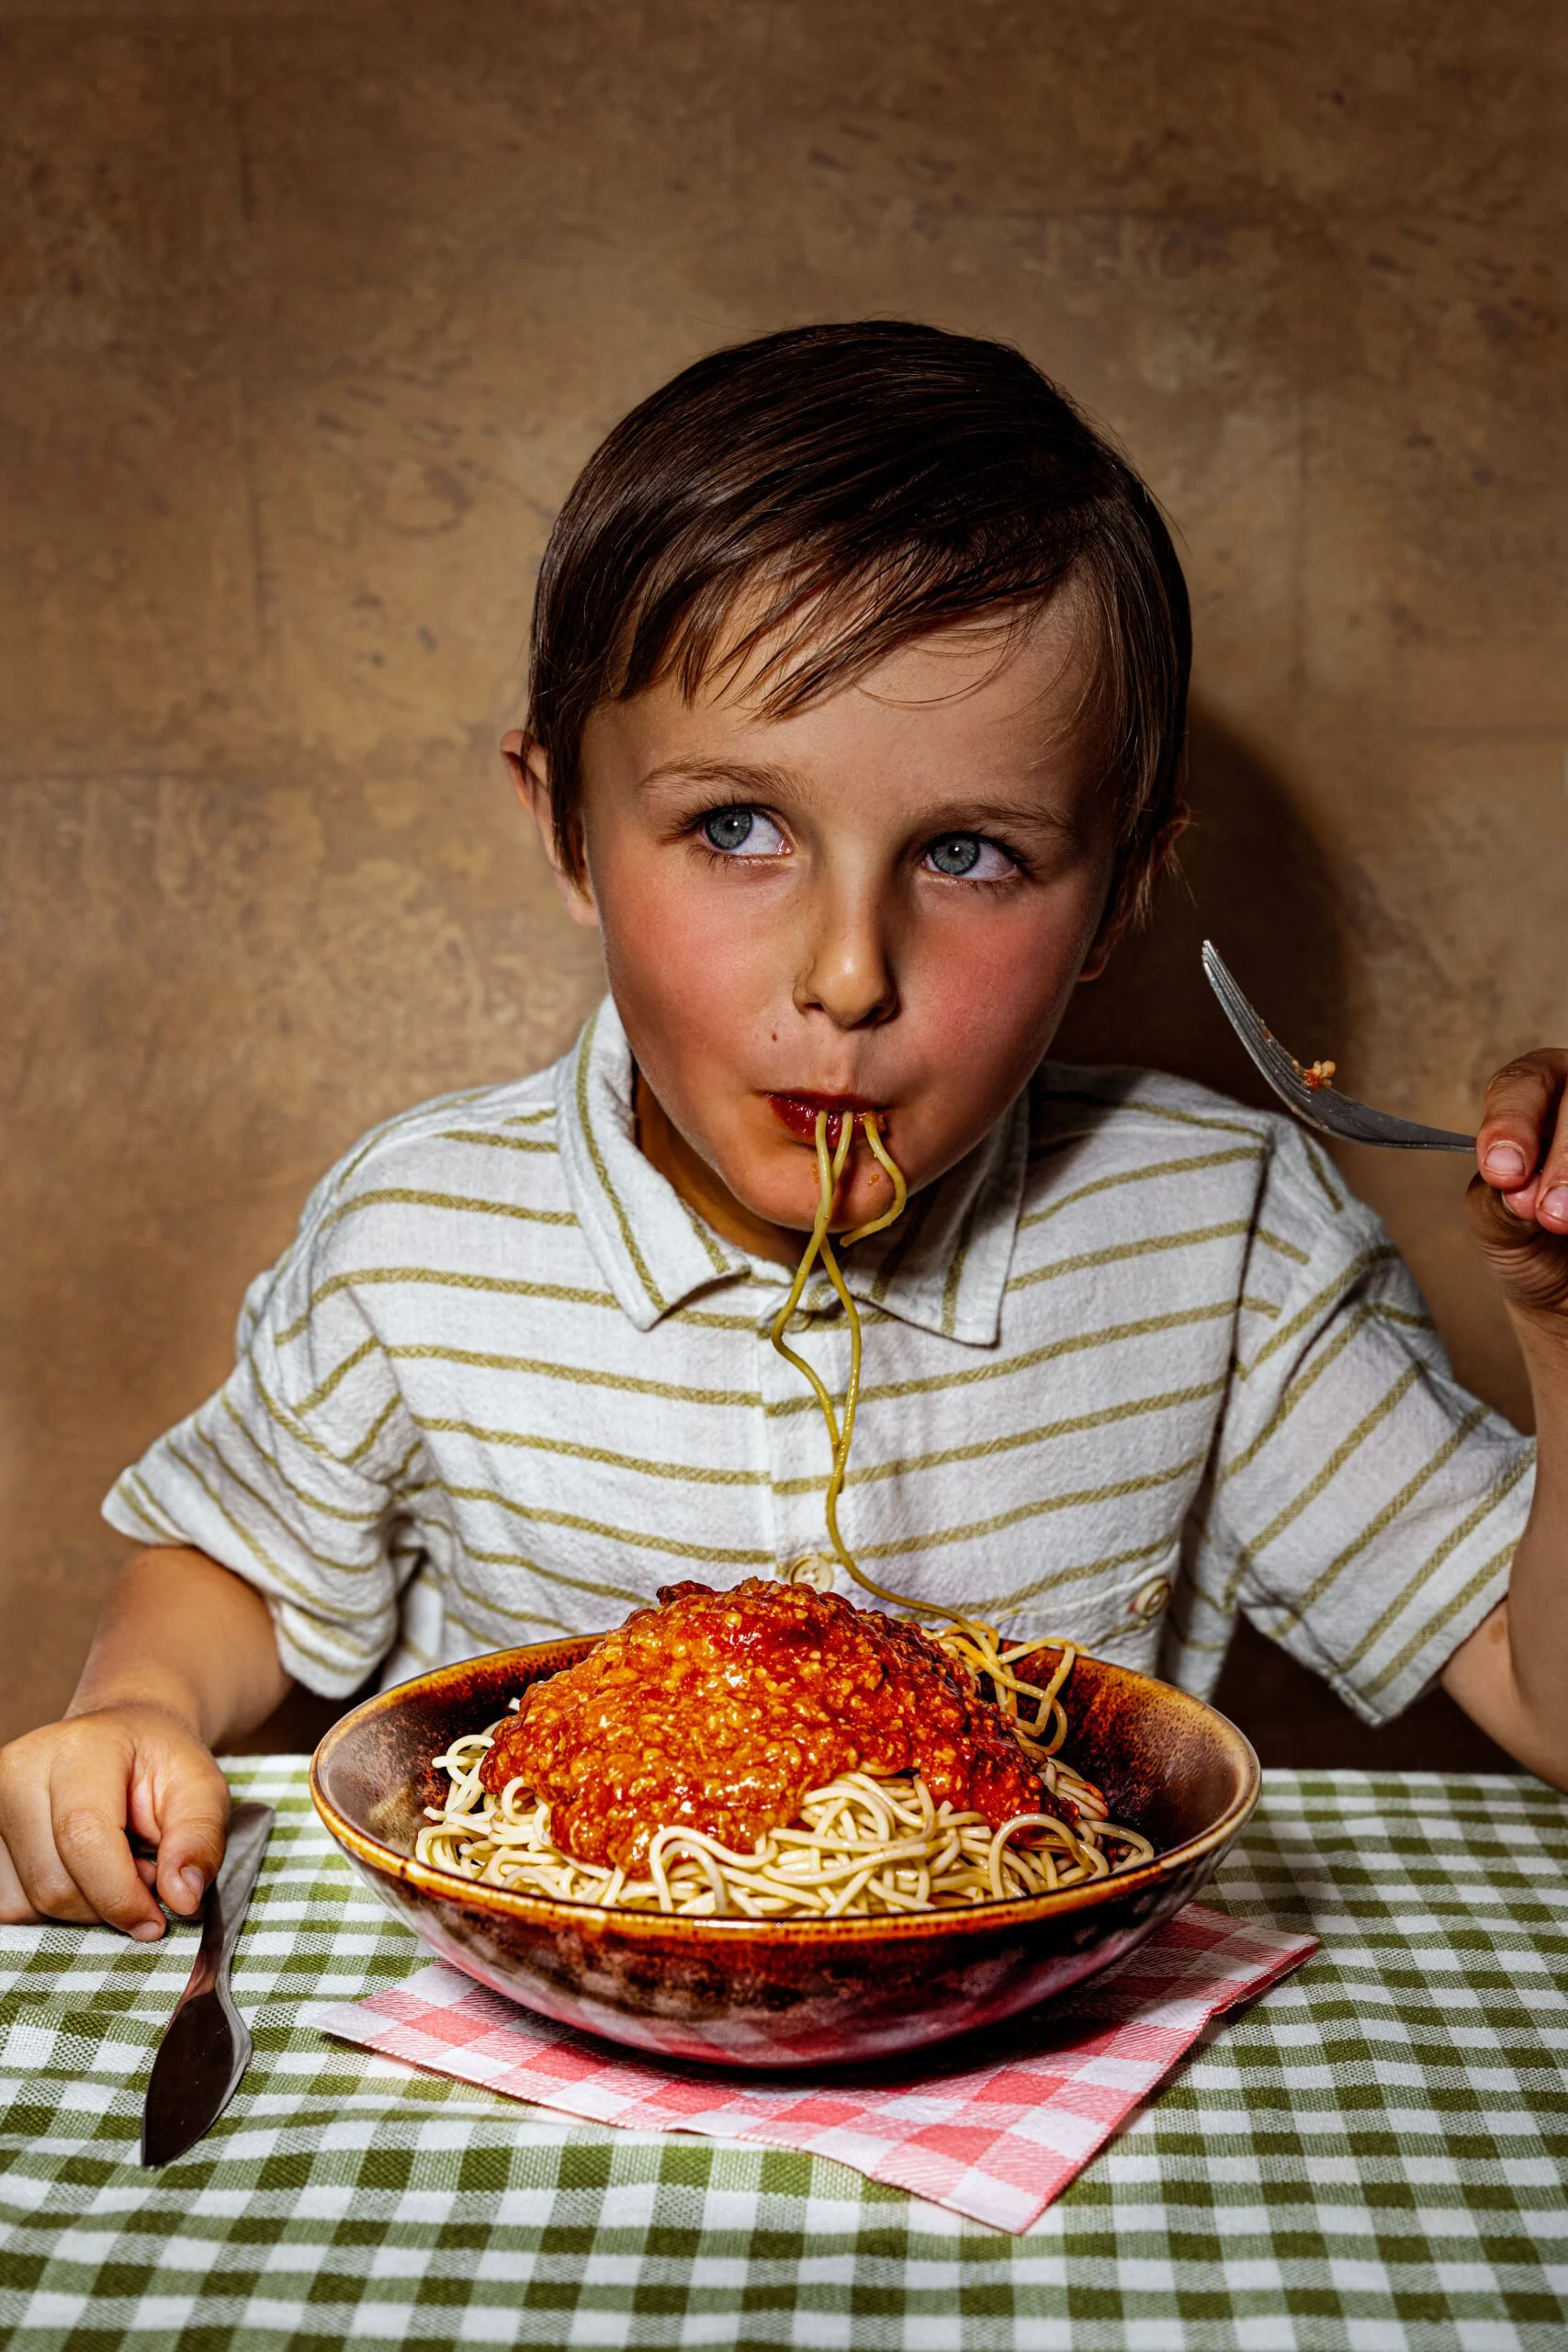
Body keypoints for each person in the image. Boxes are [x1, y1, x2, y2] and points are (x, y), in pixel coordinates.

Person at [3, 322, 1564, 1939]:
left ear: (1117, 896)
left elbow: (1539, 1694)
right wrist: (136, 1709)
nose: (844, 976)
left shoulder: (1219, 1238)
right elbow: (236, 1570)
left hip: (1024, 2060)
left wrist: (1561, 1319)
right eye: (736, 829)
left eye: (967, 853)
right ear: (567, 829)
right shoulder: (421, 1237)